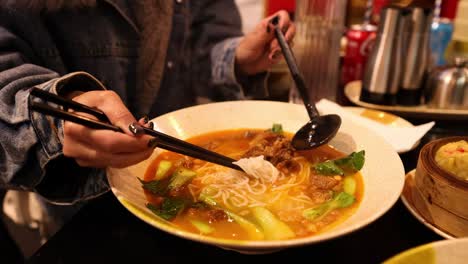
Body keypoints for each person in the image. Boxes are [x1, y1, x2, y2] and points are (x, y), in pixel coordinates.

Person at [0, 1, 294, 211]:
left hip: (179, 165)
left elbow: (199, 42)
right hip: (80, 206)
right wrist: (56, 121)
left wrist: (236, 59)